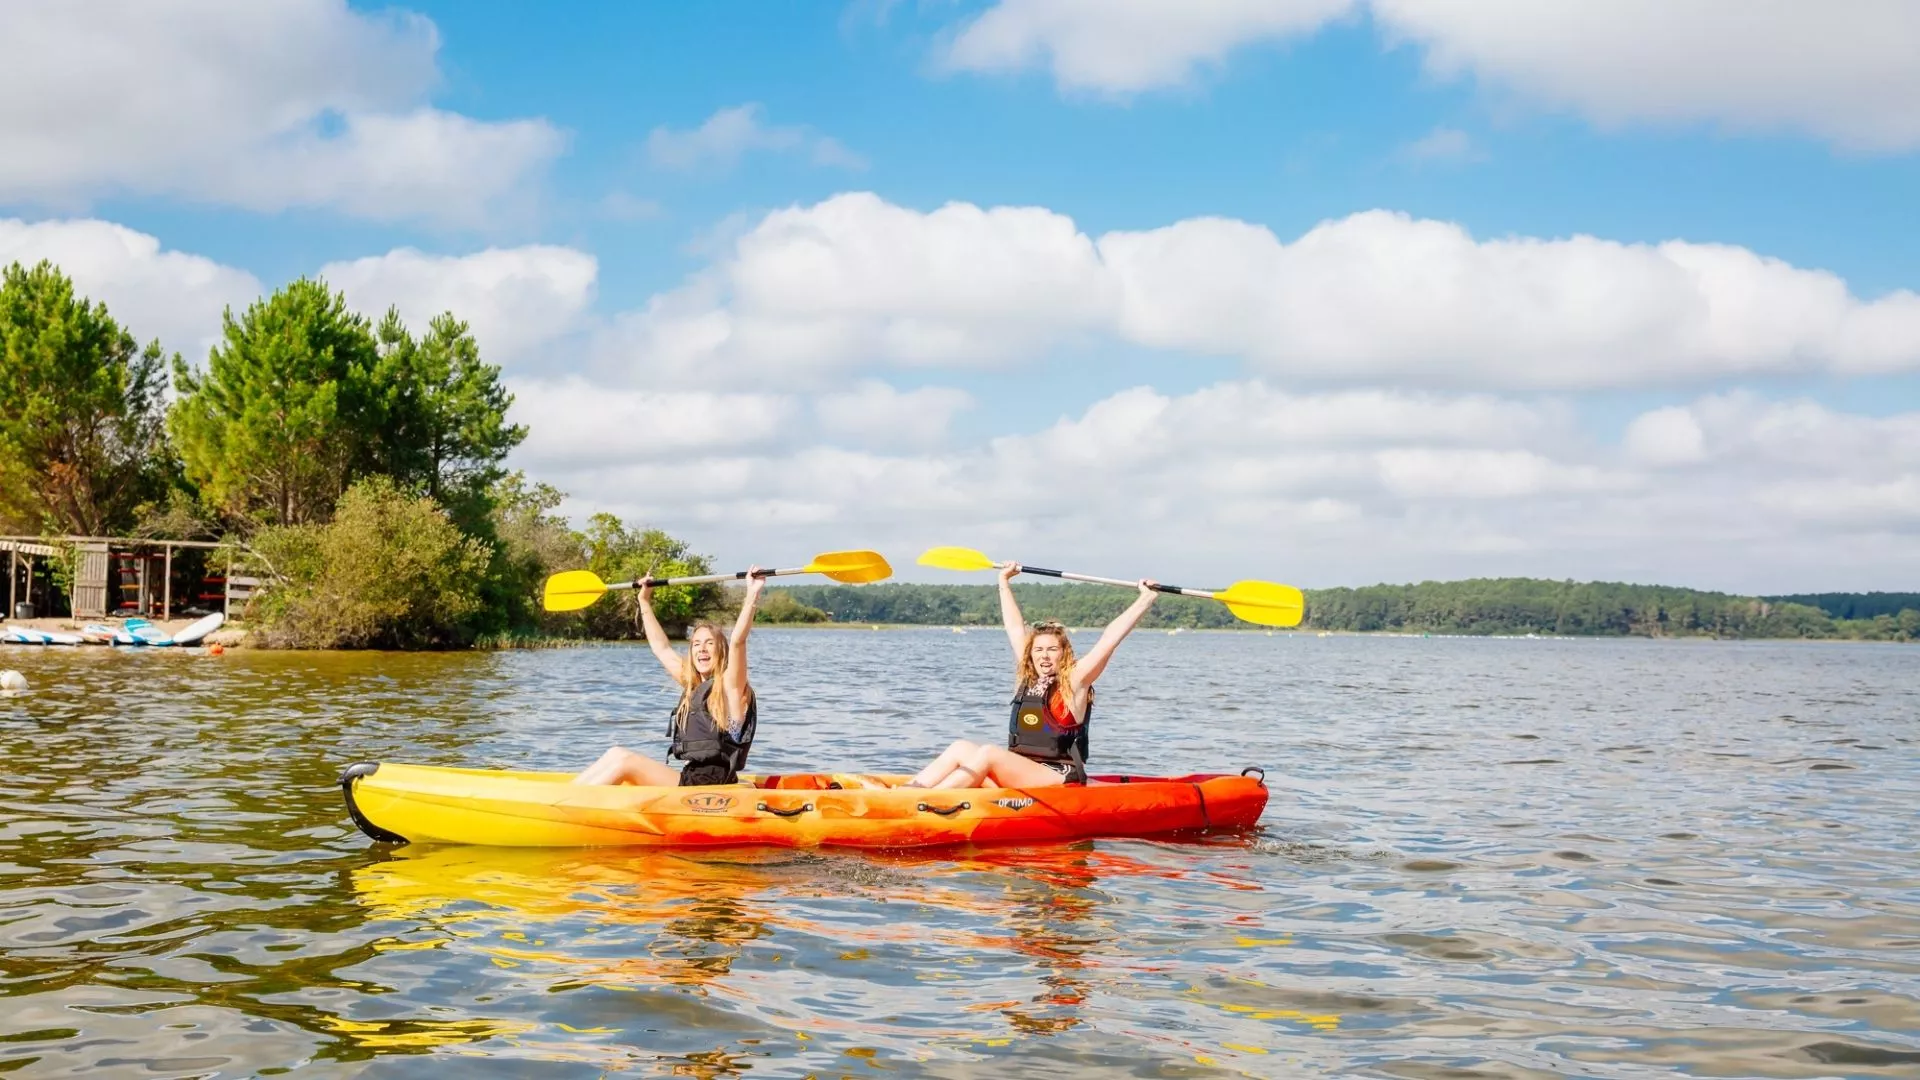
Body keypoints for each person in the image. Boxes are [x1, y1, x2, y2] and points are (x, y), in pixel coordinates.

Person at [905, 563, 1158, 789]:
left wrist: (1145, 599)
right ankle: (910, 791)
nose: (1044, 656)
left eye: (1051, 650)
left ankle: (928, 802)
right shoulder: (1029, 677)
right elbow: (1015, 627)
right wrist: (1004, 582)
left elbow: (1109, 639)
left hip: (1059, 777)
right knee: (961, 747)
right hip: (1022, 770)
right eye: (1038, 650)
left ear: (1064, 653)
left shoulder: (1076, 680)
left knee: (990, 753)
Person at [574, 568, 765, 787]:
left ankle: (561, 806)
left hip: (711, 787)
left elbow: (738, 641)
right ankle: (564, 796)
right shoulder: (694, 685)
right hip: (691, 779)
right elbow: (661, 648)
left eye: (709, 643)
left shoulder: (732, 687)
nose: (702, 649)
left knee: (624, 761)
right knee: (615, 752)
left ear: (721, 651)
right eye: (696, 644)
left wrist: (752, 593)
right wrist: (644, 601)